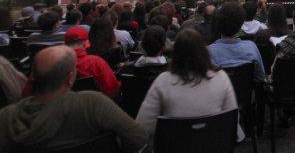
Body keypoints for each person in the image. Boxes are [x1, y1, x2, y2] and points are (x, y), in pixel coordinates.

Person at [0, 46, 146, 151]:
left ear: (33, 76)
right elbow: (138, 138)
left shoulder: (6, 117)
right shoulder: (93, 104)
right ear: (70, 78)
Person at [137, 29, 238, 138]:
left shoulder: (163, 81)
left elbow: (143, 127)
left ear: (175, 54)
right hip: (214, 144)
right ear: (203, 50)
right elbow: (233, 120)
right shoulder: (221, 77)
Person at [208, 2, 266, 82]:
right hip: (246, 94)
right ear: (240, 26)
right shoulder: (251, 48)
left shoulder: (207, 52)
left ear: (217, 24)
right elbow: (261, 77)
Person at [64, 26, 121, 98]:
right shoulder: (95, 62)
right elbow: (112, 89)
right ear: (86, 43)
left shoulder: (56, 62)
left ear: (65, 43)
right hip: (96, 104)